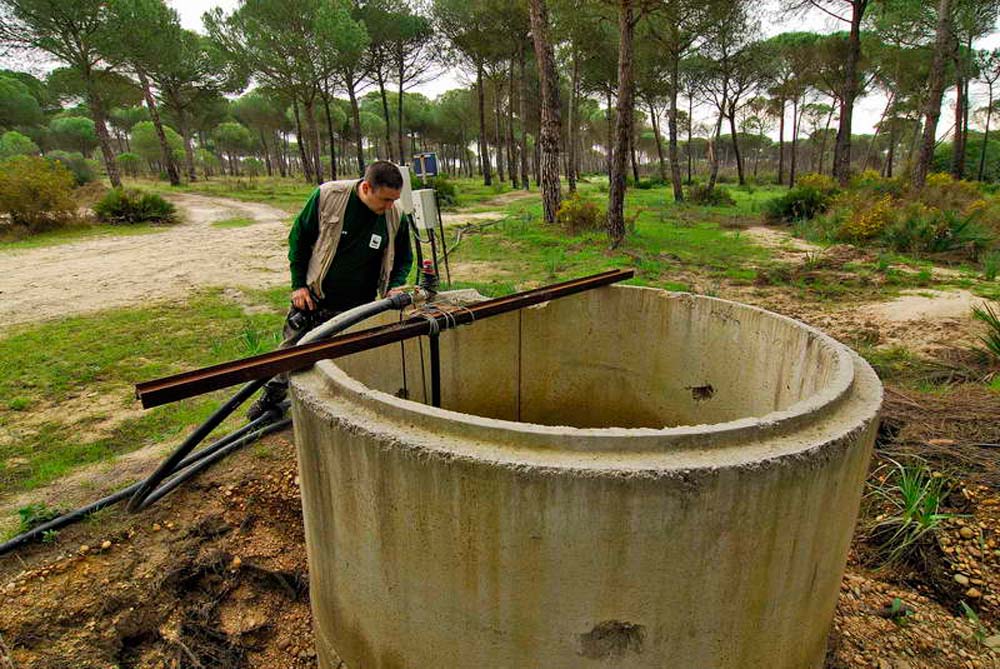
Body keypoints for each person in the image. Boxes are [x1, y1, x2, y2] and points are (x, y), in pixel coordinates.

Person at [246, 160, 414, 420]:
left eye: (394, 199)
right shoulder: (329, 196)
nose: (390, 206)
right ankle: (271, 399)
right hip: (315, 300)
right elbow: (299, 238)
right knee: (291, 352)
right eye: (385, 200)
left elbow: (404, 258)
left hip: (358, 308)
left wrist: (393, 286)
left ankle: (340, 410)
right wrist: (298, 285)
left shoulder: (395, 215)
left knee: (346, 363)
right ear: (367, 187)